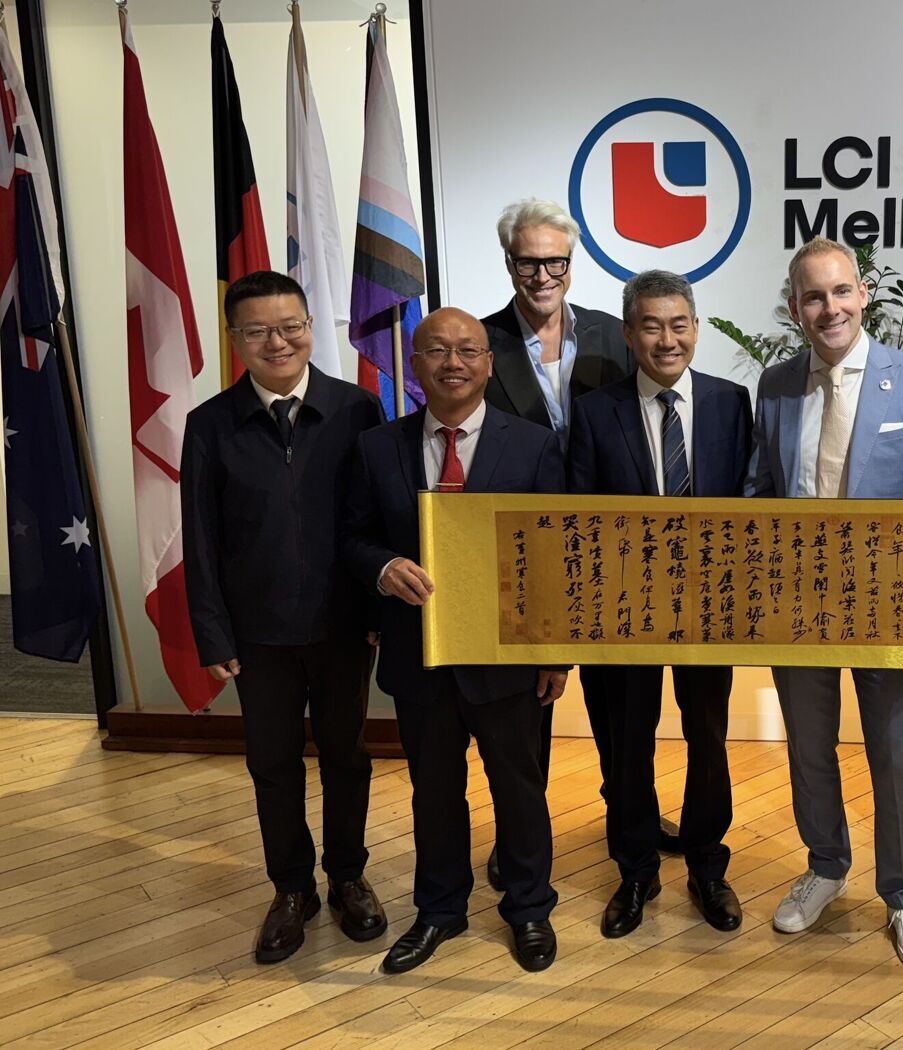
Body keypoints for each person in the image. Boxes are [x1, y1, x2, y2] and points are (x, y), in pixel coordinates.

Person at [745, 236, 903, 972]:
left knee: (895, 754)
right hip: (798, 609)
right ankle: (827, 865)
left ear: (862, 293)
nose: (828, 307)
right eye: (812, 296)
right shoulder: (773, 387)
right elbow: (757, 497)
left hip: (887, 606)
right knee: (808, 747)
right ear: (795, 305)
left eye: (839, 292)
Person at [342, 307, 568, 975]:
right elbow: (353, 538)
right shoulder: (378, 447)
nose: (453, 363)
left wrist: (556, 654)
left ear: (489, 364)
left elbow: (554, 555)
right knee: (433, 791)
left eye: (468, 350)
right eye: (437, 350)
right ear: (415, 366)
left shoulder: (533, 445)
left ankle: (529, 908)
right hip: (420, 657)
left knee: (519, 788)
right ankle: (439, 910)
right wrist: (383, 568)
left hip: (507, 658)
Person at [181, 271, 387, 964]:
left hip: (342, 627)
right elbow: (200, 537)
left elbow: (376, 521)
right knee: (272, 764)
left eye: (291, 325)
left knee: (346, 759)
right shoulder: (209, 424)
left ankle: (349, 877)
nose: (278, 341)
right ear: (235, 339)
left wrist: (378, 614)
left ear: (311, 327)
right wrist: (212, 632)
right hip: (256, 636)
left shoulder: (357, 409)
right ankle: (292, 888)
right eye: (258, 330)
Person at [479, 199, 661, 889]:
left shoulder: (618, 337)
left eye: (555, 260)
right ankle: (522, 833)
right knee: (529, 705)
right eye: (529, 260)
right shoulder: (481, 343)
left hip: (608, 549)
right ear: (509, 263)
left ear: (570, 264)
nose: (543, 273)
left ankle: (631, 815)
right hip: (524, 552)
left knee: (620, 703)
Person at [568, 270, 753, 938]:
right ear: (628, 333)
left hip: (710, 613)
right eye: (651, 325)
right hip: (625, 614)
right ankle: (636, 869)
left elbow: (749, 508)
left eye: (679, 325)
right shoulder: (594, 411)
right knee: (627, 744)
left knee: (708, 739)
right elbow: (582, 521)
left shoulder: (734, 403)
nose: (666, 339)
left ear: (697, 329)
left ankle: (707, 864)